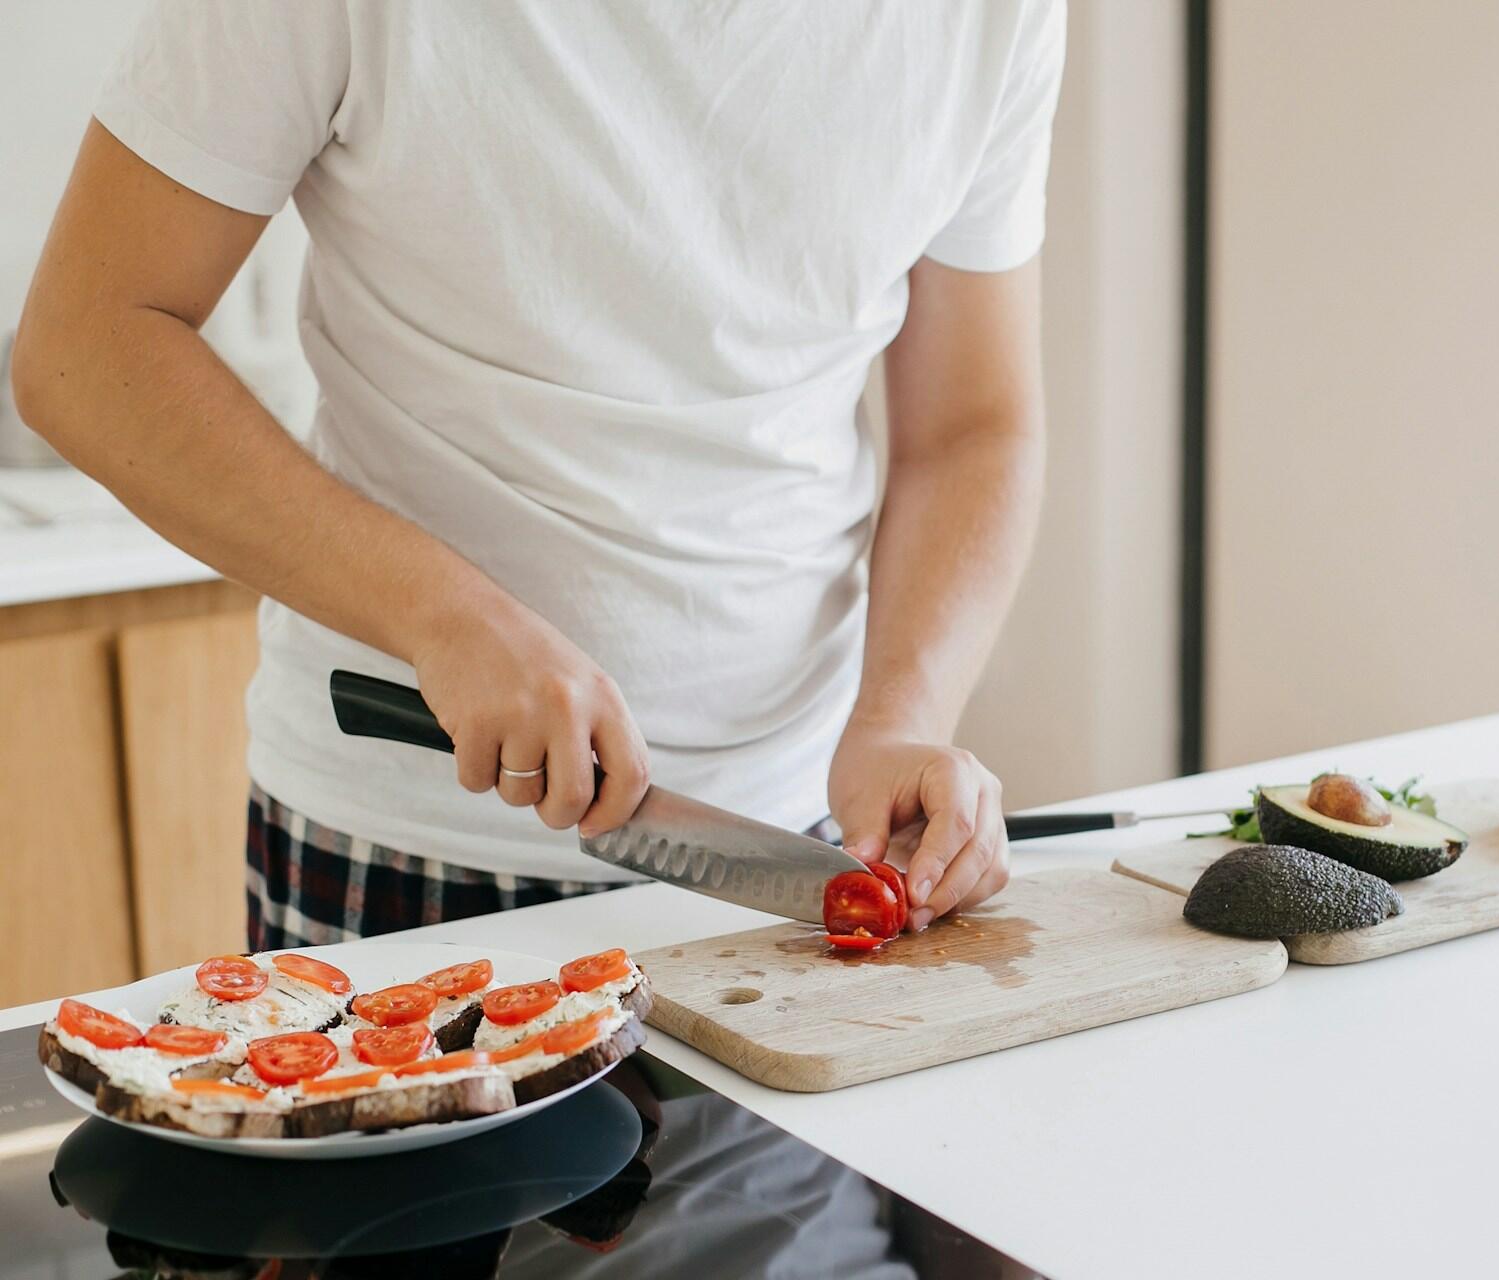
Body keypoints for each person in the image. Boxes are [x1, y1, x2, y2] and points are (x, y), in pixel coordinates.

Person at [12, 2, 1062, 946]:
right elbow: (85, 349)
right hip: (404, 854)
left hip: (790, 856)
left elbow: (972, 426)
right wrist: (446, 615)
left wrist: (902, 716)